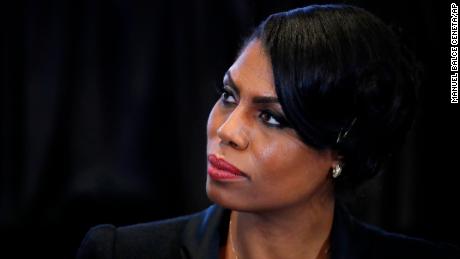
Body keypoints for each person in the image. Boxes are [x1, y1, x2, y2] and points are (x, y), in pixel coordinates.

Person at [77, 4, 459, 259]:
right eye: (228, 96)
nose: (228, 131)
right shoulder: (118, 252)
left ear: (341, 149)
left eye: (271, 118)